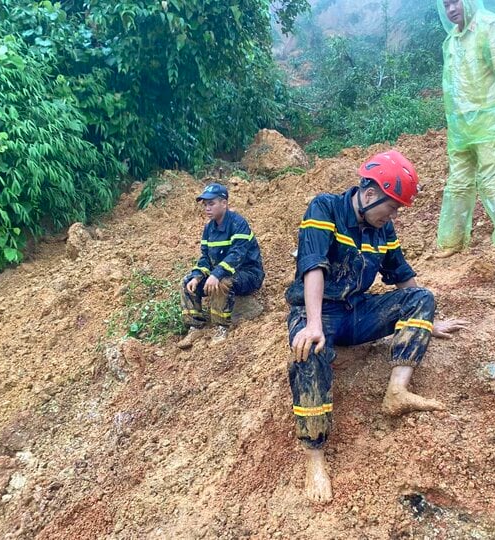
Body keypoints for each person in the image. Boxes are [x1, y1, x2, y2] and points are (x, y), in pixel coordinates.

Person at [285, 150, 468, 502]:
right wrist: (311, 324)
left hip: (357, 312)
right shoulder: (325, 208)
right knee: (309, 353)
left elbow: (401, 276)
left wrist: (428, 320)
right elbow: (313, 267)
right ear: (370, 194)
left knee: (422, 298)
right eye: (393, 206)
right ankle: (315, 458)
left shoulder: (383, 230)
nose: (394, 214)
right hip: (319, 311)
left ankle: (397, 392)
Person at [436, 0, 495, 257]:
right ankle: (452, 242)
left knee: (493, 183)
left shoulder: (491, 26)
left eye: (454, 2)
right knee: (458, 184)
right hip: (461, 128)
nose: (451, 9)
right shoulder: (452, 41)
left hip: (490, 122)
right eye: (445, 5)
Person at [177, 183, 264, 348]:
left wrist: (216, 275)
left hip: (248, 274)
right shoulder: (209, 228)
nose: (207, 208)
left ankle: (220, 326)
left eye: (211, 204)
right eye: (205, 205)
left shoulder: (238, 224)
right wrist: (197, 276)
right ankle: (194, 327)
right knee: (187, 281)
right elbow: (205, 257)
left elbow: (237, 255)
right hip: (223, 272)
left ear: (224, 203)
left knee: (222, 283)